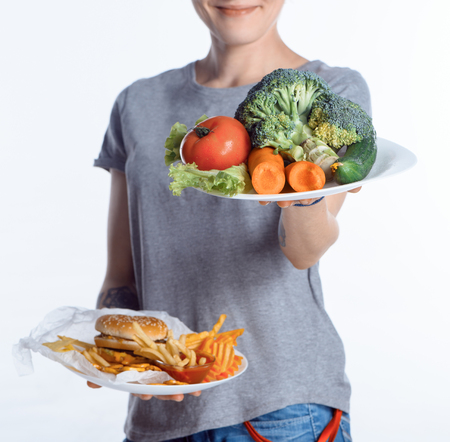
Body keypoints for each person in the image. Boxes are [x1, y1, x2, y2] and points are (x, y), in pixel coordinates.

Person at [89, 1, 370, 441]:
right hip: (159, 413)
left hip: (280, 410)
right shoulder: (137, 103)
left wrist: (305, 185)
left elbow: (304, 250)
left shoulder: (330, 91)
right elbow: (121, 276)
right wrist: (118, 349)